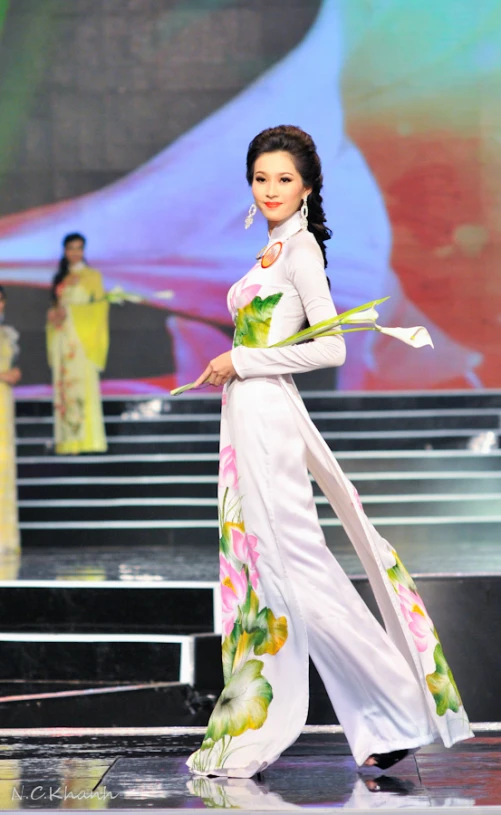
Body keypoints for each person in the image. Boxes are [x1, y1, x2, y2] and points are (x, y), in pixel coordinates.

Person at [186, 126, 473, 778]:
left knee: (296, 568)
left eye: (283, 179)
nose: (270, 190)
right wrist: (236, 368)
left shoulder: (301, 249)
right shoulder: (271, 248)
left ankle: (394, 704)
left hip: (268, 419)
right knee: (272, 570)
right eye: (261, 178)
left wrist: (242, 357)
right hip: (248, 416)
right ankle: (382, 718)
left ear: (307, 187)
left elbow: (332, 346)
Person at [46, 233, 109, 455]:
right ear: (65, 251)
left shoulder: (93, 276)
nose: (75, 252)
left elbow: (100, 309)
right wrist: (54, 316)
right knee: (65, 387)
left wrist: (70, 311)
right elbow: (54, 308)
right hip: (64, 339)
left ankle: (88, 441)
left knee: (82, 385)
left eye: (79, 248)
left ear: (84, 250)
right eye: (71, 248)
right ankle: (68, 442)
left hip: (82, 340)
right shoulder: (60, 278)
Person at [0, 286, 21, 552]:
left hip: (4, 402)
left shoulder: (9, 333)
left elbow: (14, 370)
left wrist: (12, 374)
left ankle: (4, 539)